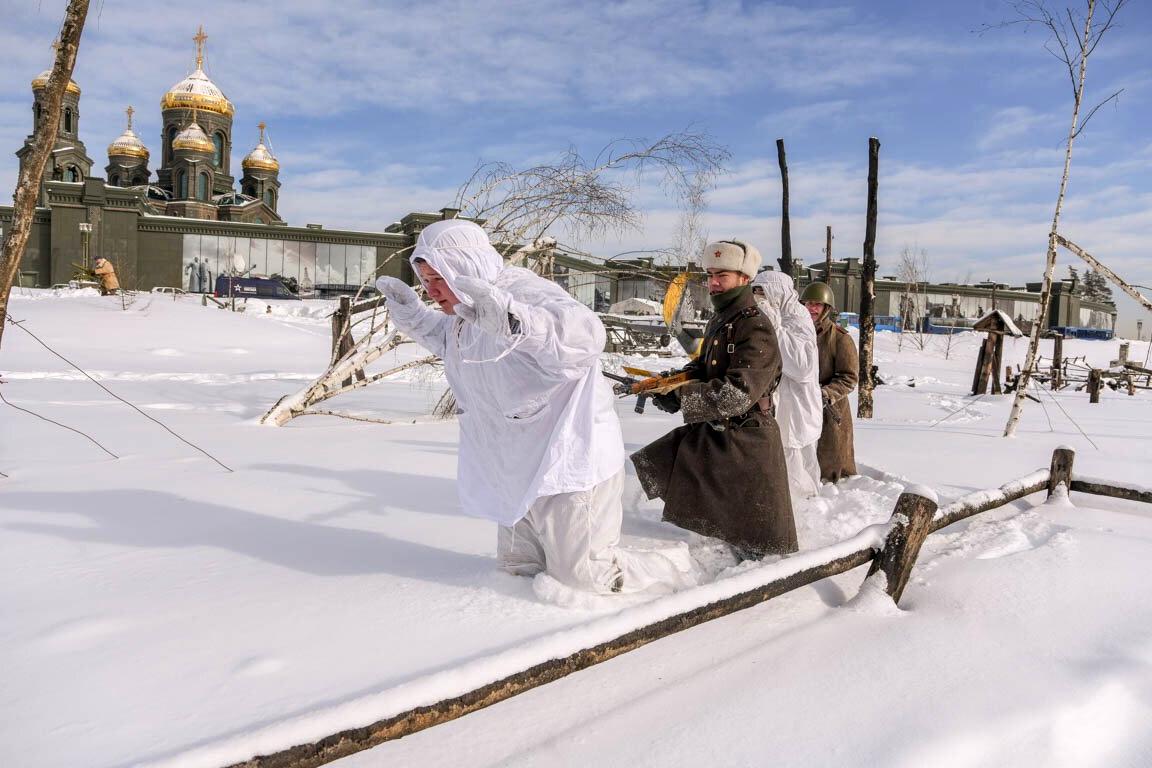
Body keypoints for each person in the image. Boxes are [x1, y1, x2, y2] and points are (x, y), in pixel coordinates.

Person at [374, 219, 693, 595]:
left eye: (437, 279)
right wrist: (414, 317)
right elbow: (456, 344)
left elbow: (586, 335)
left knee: (586, 578)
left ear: (464, 268)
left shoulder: (522, 293)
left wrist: (515, 321)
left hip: (567, 458)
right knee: (516, 571)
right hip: (515, 466)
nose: (431, 291)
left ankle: (671, 565)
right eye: (425, 282)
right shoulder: (467, 313)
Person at [631, 240, 797, 559]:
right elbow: (704, 367)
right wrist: (671, 384)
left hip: (747, 443)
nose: (713, 282)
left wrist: (683, 395)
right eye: (710, 275)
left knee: (759, 550)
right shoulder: (722, 319)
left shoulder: (755, 326)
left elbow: (737, 393)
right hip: (721, 435)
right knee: (658, 465)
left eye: (722, 275)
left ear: (744, 278)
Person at [751, 271, 822, 498]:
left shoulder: (797, 317)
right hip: (777, 406)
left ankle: (806, 514)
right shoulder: (772, 315)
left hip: (796, 410)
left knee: (798, 471)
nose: (759, 298)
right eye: (755, 292)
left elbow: (801, 367)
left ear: (777, 292)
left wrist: (774, 327)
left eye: (763, 293)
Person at [800, 282, 858, 483]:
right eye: (808, 304)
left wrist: (825, 394)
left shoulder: (840, 339)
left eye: (817, 304)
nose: (812, 309)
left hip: (830, 411)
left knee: (831, 470)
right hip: (800, 406)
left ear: (826, 309)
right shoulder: (796, 334)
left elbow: (849, 377)